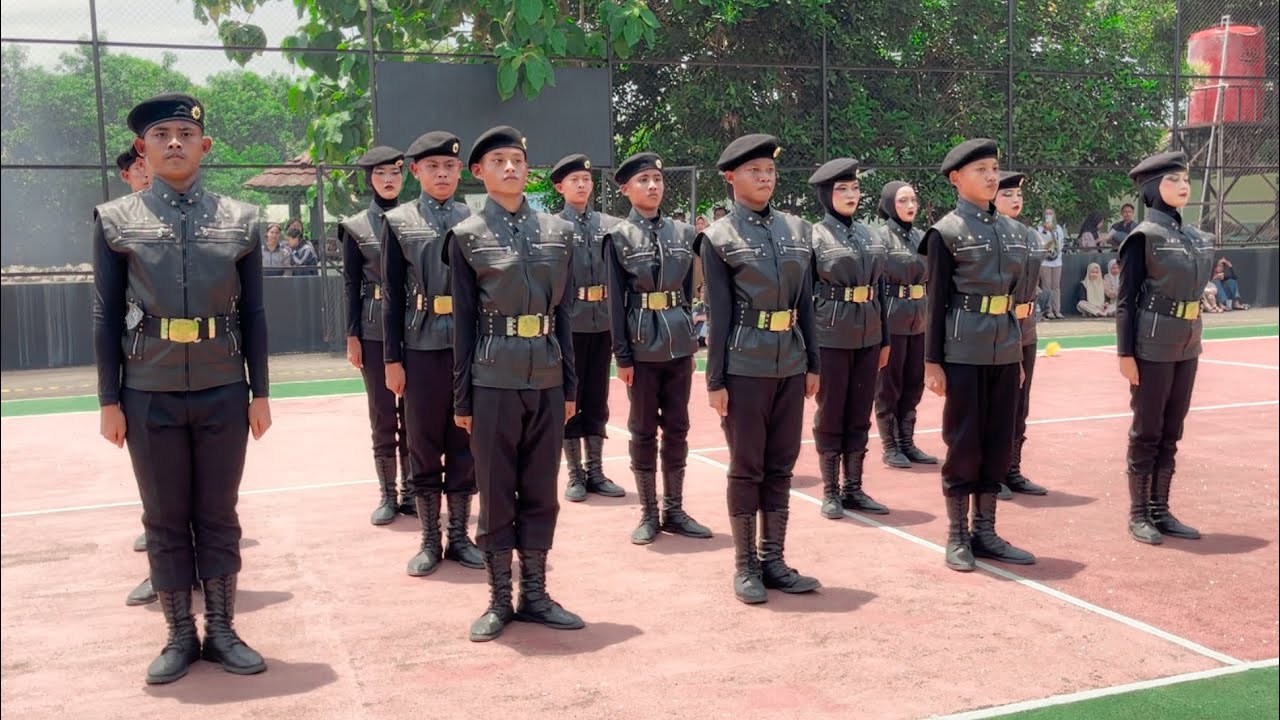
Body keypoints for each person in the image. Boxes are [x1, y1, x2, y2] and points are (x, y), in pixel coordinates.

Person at [93, 93, 271, 684]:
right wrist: (109, 400)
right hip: (149, 390)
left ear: (205, 146)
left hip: (223, 384)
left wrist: (260, 391)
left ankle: (221, 630)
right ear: (142, 149)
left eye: (185, 133)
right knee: (165, 517)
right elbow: (104, 314)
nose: (174, 142)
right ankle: (178, 636)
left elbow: (257, 314)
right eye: (161, 134)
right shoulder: (115, 220)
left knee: (219, 514)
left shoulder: (242, 219)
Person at [448, 126, 583, 641]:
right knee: (497, 488)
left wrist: (570, 387)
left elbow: (564, 315)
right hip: (492, 377)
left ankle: (536, 594)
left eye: (518, 160)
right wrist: (463, 396)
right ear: (478, 172)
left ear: (530, 170)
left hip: (547, 375)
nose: (510, 168)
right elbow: (463, 324)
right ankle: (499, 600)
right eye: (498, 161)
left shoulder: (557, 232)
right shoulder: (465, 237)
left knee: (541, 490)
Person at [699, 133, 821, 604]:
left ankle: (774, 559)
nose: (765, 178)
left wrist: (813, 362)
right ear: (731, 178)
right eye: (754, 171)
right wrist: (716, 380)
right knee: (747, 466)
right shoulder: (718, 238)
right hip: (744, 365)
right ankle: (746, 565)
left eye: (769, 171)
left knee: (781, 465)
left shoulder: (797, 230)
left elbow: (806, 303)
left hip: (790, 362)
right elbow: (720, 313)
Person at [920, 138, 1036, 572]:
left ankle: (985, 532)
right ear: (956, 179)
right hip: (963, 348)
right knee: (964, 440)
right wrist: (932, 362)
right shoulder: (946, 233)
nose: (991, 176)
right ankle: (957, 536)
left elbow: (1016, 296)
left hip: (1005, 347)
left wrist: (1019, 357)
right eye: (980, 170)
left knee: (997, 440)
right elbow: (935, 303)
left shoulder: (1012, 231)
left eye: (993, 168)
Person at [383, 131, 482, 576]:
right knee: (422, 441)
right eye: (432, 167)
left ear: (460, 172)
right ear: (416, 172)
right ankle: (429, 539)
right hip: (420, 345)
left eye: (449, 167)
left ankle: (460, 537)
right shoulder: (399, 222)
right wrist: (392, 358)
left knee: (465, 439)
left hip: (467, 346)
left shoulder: (474, 220)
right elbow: (391, 296)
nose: (441, 174)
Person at [603, 151, 711, 545]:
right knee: (644, 428)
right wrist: (622, 355)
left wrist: (686, 329)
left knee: (678, 427)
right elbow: (615, 300)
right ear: (626, 189)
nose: (652, 186)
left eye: (657, 180)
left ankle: (675, 509)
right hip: (640, 343)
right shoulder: (617, 236)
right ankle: (649, 512)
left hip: (679, 344)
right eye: (643, 180)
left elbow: (685, 289)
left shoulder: (683, 233)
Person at [1115, 151, 1212, 546]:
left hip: (1188, 343)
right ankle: (1139, 513)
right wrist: (1125, 355)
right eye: (1173, 180)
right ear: (1153, 189)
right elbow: (1126, 300)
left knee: (1172, 429)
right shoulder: (1144, 237)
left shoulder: (1198, 238)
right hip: (1151, 345)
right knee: (1148, 430)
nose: (1183, 185)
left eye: (1186, 178)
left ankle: (1161, 509)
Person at [806, 158, 891, 519]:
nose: (851, 195)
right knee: (831, 412)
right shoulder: (815, 236)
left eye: (855, 188)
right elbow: (804, 295)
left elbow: (880, 288)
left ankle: (854, 488)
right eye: (842, 189)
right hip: (830, 335)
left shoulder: (871, 235)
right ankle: (831, 490)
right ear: (827, 195)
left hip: (868, 334)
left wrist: (885, 338)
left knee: (859, 411)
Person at [338, 146, 413, 526]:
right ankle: (388, 494)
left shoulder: (415, 219)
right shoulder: (356, 227)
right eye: (382, 173)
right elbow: (352, 285)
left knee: (414, 414)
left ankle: (414, 490)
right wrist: (352, 336)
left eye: (396, 173)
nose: (389, 180)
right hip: (373, 330)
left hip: (415, 327)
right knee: (383, 414)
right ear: (370, 178)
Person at [550, 153, 625, 502]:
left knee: (597, 396)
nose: (582, 185)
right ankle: (575, 475)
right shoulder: (552, 228)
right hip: (569, 323)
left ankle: (596, 472)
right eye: (574, 180)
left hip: (603, 320)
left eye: (586, 179)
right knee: (570, 397)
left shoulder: (610, 225)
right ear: (560, 187)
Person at [113, 145, 162, 609]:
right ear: (129, 175)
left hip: (200, 365)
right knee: (157, 487)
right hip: (144, 363)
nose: (148, 173)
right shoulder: (118, 223)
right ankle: (163, 574)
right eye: (140, 168)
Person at [994, 171, 1050, 498]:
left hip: (1027, 329)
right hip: (1000, 329)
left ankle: (1013, 469)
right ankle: (994, 472)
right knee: (1001, 403)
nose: (1015, 200)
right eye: (1007, 194)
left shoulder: (1030, 236)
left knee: (1021, 404)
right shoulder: (990, 237)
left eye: (1018, 194)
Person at [873, 181, 937, 470]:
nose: (910, 205)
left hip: (919, 319)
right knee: (889, 385)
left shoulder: (923, 237)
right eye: (903, 201)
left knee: (914, 383)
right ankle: (890, 446)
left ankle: (907, 442)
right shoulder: (881, 239)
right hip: (892, 319)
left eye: (913, 199)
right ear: (889, 205)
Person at [1038, 207, 1064, 318]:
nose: (1049, 215)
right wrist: (1045, 229)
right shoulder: (1039, 228)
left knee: (1056, 286)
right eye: (1047, 213)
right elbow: (1041, 241)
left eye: (1051, 213)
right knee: (1046, 285)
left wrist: (1052, 230)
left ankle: (1057, 309)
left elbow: (1060, 243)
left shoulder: (1058, 228)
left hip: (1057, 260)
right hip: (1045, 261)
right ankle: (1048, 310)